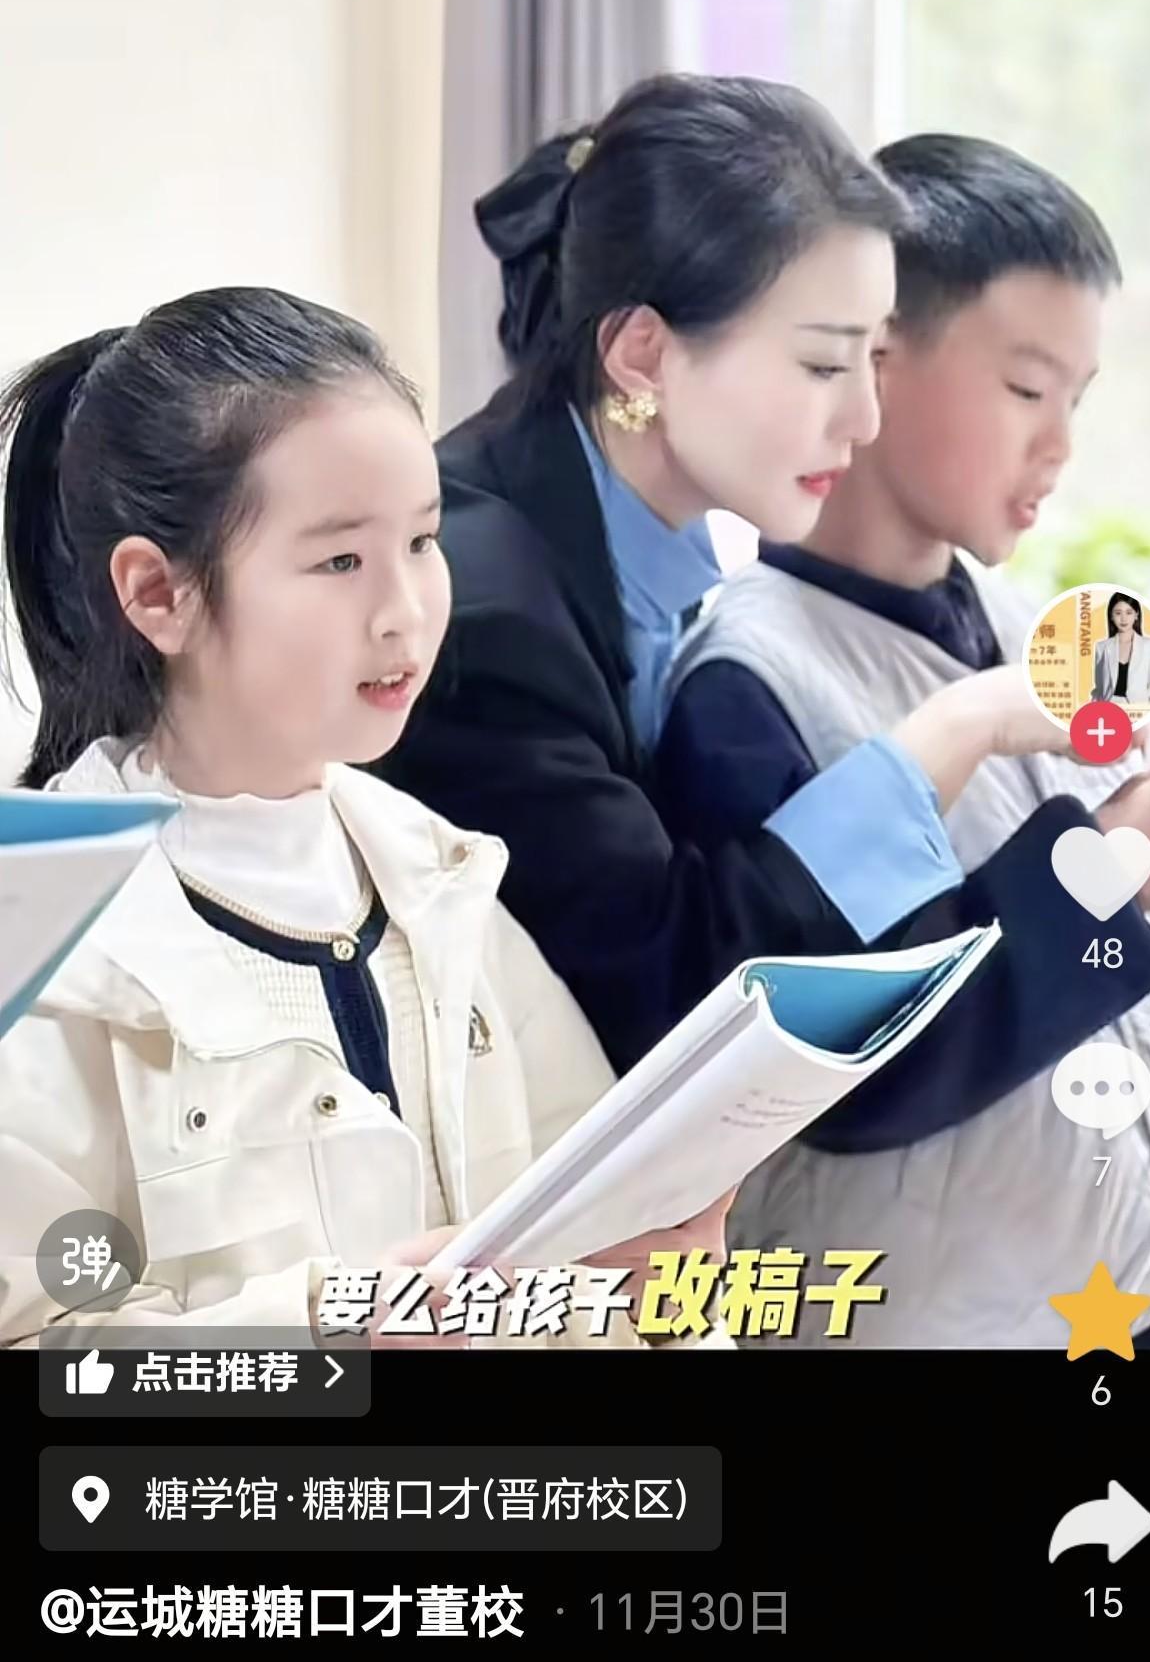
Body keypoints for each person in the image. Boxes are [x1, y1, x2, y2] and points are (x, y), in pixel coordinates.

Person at [380, 73, 1150, 1165]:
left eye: (871, 358)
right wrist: (962, 730)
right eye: (824, 363)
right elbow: (680, 1008)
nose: (865, 416)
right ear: (644, 354)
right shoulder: (486, 613)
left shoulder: (628, 551)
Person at [0, 286, 729, 1352]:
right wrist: (326, 1331)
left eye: (424, 541)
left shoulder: (446, 879)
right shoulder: (41, 941)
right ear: (158, 593)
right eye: (340, 559)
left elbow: (587, 1236)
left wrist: (656, 1299)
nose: (406, 610)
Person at [663, 132, 1150, 1348]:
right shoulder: (746, 681)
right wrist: (1117, 867)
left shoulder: (1032, 625)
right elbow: (830, 1075)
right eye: (1026, 390)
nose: (1059, 444)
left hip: (1130, 1301)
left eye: (1077, 398)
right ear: (876, 358)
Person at [1091, 591, 1150, 708]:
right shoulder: (1102, 647)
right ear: (1111, 616)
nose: (1123, 618)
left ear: (1136, 615)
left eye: (1129, 612)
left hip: (1138, 708)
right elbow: (1099, 689)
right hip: (1108, 708)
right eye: (1118, 613)